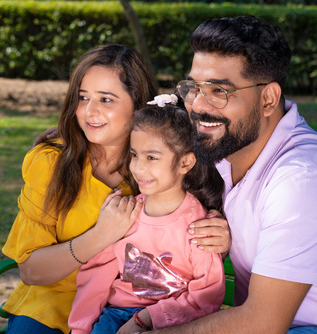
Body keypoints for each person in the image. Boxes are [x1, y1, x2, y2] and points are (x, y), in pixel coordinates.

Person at [150, 16, 317, 333]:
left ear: (268, 98)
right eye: (193, 87)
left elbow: (262, 323)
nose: (198, 105)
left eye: (219, 91)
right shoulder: (223, 150)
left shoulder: (302, 179)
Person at [1, 44, 159, 333]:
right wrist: (99, 236)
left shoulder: (161, 167)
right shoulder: (50, 163)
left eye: (106, 99)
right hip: (51, 307)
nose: (89, 111)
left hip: (127, 310)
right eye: (82, 97)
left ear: (138, 104)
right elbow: (31, 270)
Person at [68, 94, 226, 334]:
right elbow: (97, 277)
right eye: (134, 155)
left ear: (185, 163)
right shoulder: (126, 213)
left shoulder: (199, 227)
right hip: (115, 316)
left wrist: (146, 319)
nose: (138, 168)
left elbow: (206, 298)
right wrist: (80, 328)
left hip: (171, 323)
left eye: (151, 157)